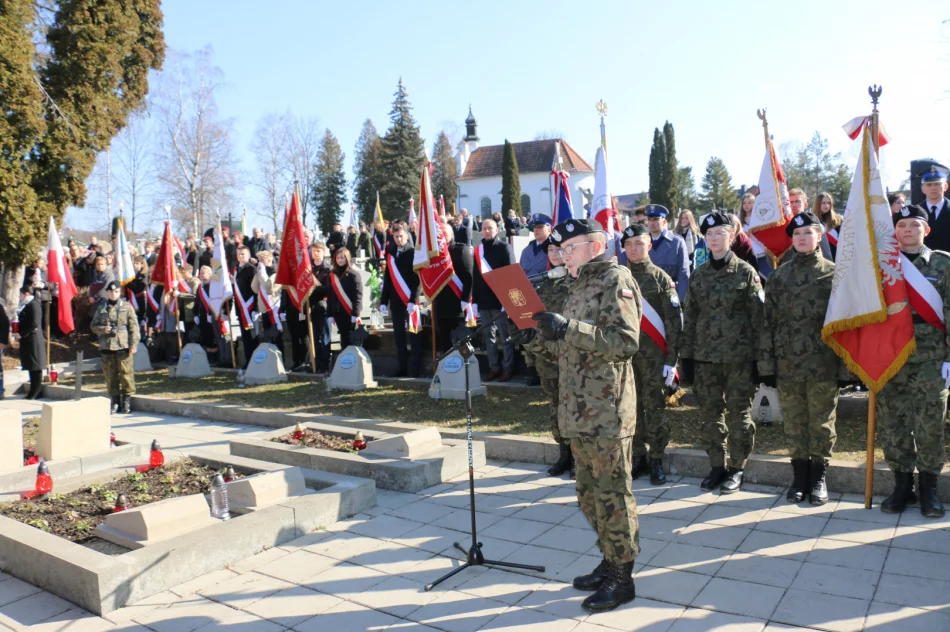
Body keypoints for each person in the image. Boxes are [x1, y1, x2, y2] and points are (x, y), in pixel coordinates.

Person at [532, 218, 641, 612]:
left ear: (595, 245)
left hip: (606, 410)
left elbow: (625, 342)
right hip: (575, 410)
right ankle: (610, 559)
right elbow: (565, 348)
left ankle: (622, 578)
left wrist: (569, 327)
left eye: (569, 248)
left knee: (613, 494)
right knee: (588, 494)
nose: (561, 255)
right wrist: (535, 339)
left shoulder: (616, 280)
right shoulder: (574, 285)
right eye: (558, 250)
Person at [679, 211, 775, 494]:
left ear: (731, 237)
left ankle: (737, 467)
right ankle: (717, 466)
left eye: (720, 233)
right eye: (709, 234)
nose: (714, 238)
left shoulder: (746, 273)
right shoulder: (698, 276)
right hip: (705, 359)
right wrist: (687, 357)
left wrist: (762, 362)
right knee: (710, 415)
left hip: (739, 360)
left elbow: (759, 320)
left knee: (739, 416)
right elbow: (691, 318)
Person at [877, 205, 949, 518]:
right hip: (891, 358)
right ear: (895, 231)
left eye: (914, 225)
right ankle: (902, 486)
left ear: (926, 230)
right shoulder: (881, 265)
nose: (907, 230)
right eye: (902, 224)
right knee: (894, 423)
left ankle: (929, 491)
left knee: (930, 423)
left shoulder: (944, 264)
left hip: (932, 358)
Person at [765, 212, 840, 505]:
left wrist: (847, 368)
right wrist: (767, 366)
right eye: (796, 235)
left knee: (822, 422)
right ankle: (799, 477)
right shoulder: (778, 276)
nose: (801, 238)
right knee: (794, 423)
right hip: (788, 364)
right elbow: (767, 324)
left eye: (807, 233)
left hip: (823, 363)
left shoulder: (834, 274)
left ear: (819, 236)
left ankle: (819, 478)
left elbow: (846, 324)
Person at [621, 224, 680, 485]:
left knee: (654, 408)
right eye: (629, 244)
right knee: (629, 409)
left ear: (649, 245)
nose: (634, 248)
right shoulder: (619, 278)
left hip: (654, 357)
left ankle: (656, 459)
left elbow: (673, 322)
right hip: (624, 357)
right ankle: (638, 457)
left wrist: (672, 360)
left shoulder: (661, 278)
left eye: (639, 243)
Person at [517, 232, 574, 477]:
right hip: (545, 356)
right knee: (555, 407)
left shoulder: (576, 281)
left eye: (559, 250)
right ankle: (564, 455)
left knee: (575, 408)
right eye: (551, 250)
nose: (555, 254)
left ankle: (580, 458)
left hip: (571, 355)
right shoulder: (539, 283)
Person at [472, 219, 516, 381]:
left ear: (497, 230)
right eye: (484, 228)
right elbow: (475, 277)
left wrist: (508, 300)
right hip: (484, 301)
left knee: (506, 336)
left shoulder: (504, 248)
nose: (487, 231)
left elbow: (511, 274)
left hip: (500, 300)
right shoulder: (478, 251)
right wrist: (475, 301)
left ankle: (508, 368)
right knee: (488, 337)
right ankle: (494, 367)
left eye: (490, 228)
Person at [380, 224, 423, 377]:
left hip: (411, 302)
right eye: (396, 237)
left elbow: (417, 279)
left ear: (407, 236)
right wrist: (383, 301)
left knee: (414, 335)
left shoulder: (414, 253)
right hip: (396, 302)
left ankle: (416, 369)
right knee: (399, 336)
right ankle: (402, 367)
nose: (399, 239)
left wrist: (413, 299)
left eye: (401, 236)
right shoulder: (390, 255)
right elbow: (388, 280)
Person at [91, 281, 140, 413]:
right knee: (110, 375)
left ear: (120, 292)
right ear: (107, 292)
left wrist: (133, 344)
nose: (113, 294)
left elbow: (134, 327)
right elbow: (93, 326)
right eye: (111, 292)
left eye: (116, 291)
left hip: (122, 345)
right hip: (107, 345)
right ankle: (115, 400)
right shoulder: (102, 306)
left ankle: (127, 400)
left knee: (126, 373)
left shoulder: (127, 306)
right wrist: (102, 330)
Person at [433, 222, 473, 352]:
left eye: (445, 233)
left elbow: (469, 277)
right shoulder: (434, 254)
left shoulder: (461, 250)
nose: (442, 236)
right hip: (442, 304)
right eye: (440, 234)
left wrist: (466, 299)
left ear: (451, 235)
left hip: (458, 304)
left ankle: (463, 372)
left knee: (462, 344)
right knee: (445, 344)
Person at [639, 205, 689, 304]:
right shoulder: (641, 242)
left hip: (669, 296)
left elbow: (683, 274)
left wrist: (681, 301)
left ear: (664, 222)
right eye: (649, 219)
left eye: (656, 219)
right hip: (647, 300)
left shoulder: (677, 242)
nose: (652, 223)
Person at [328, 247, 362, 351]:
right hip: (338, 312)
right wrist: (330, 314)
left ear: (347, 258)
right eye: (338, 258)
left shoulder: (354, 275)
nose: (340, 260)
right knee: (343, 340)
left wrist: (356, 314)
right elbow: (330, 295)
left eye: (342, 258)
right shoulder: (332, 275)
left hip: (350, 312)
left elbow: (358, 295)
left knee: (351, 340)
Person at [15, 286, 45, 400]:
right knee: (30, 365)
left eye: (20, 294)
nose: (19, 296)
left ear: (26, 293)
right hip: (27, 339)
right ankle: (33, 390)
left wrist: (22, 334)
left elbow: (34, 323)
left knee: (35, 365)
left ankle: (37, 390)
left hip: (33, 339)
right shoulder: (26, 305)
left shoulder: (34, 304)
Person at [788, 188, 833, 261]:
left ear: (805, 204)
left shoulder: (815, 224)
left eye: (797, 201)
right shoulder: (784, 227)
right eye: (791, 202)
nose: (793, 205)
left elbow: (826, 254)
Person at [233, 245, 259, 368]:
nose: (240, 256)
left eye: (243, 254)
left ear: (249, 256)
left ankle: (255, 362)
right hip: (240, 308)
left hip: (250, 308)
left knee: (253, 337)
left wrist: (255, 309)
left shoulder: (251, 269)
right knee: (245, 337)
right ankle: (248, 361)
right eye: (238, 254)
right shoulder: (236, 270)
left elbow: (255, 290)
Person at [309, 242, 332, 372]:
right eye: (313, 251)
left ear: (323, 252)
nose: (315, 253)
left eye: (318, 251)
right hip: (310, 306)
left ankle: (324, 364)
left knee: (324, 337)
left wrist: (313, 289)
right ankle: (316, 363)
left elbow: (328, 289)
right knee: (315, 336)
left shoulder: (328, 269)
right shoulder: (308, 268)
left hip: (323, 306)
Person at [251, 250, 282, 344]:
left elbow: (269, 287)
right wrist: (258, 274)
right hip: (263, 309)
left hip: (274, 308)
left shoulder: (275, 272)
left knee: (276, 338)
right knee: (267, 338)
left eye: (262, 259)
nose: (260, 262)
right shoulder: (261, 273)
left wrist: (262, 274)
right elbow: (254, 288)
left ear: (269, 259)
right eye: (259, 259)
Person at [739, 193, 773, 277]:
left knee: (768, 276)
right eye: (744, 203)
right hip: (748, 253)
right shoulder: (739, 219)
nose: (746, 205)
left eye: (750, 203)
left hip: (762, 253)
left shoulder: (759, 217)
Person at [920, 167, 950, 253]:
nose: (933, 188)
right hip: (921, 263)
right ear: (923, 188)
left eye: (937, 184)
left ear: (945, 186)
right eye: (929, 184)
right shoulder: (915, 212)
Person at [815, 192, 842, 261]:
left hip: (838, 258)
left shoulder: (838, 220)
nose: (826, 205)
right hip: (821, 260)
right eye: (823, 203)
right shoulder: (813, 220)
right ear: (818, 204)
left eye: (828, 203)